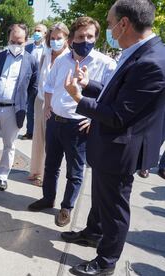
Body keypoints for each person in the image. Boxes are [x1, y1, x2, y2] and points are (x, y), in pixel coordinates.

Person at [62, 1, 165, 274]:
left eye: (109, 23)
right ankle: (92, 232)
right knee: (101, 198)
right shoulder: (138, 51)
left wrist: (78, 98)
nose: (108, 28)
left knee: (114, 208)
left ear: (124, 24)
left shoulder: (152, 61)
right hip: (109, 145)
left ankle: (106, 262)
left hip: (121, 149)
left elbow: (119, 115)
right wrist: (89, 85)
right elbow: (117, 92)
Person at [28, 17, 116, 229]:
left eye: (90, 36)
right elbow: (49, 86)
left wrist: (94, 120)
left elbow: (110, 98)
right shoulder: (61, 61)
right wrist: (48, 106)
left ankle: (66, 207)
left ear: (95, 38)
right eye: (80, 36)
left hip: (79, 127)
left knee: (75, 172)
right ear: (72, 39)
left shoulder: (105, 64)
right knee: (51, 166)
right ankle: (48, 198)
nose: (85, 40)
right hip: (55, 122)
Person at [0, 24, 38, 191]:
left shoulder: (31, 60)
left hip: (14, 111)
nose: (16, 44)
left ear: (26, 40)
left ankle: (2, 176)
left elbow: (34, 87)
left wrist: (23, 103)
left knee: (9, 145)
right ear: (8, 39)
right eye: (12, 41)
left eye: (19, 42)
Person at [27, 22, 70, 187]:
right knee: (38, 137)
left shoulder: (68, 57)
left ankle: (46, 176)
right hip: (40, 100)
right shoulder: (46, 54)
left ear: (66, 38)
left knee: (51, 142)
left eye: (59, 38)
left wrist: (52, 104)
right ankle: (35, 171)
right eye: (52, 38)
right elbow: (40, 78)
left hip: (55, 105)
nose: (55, 41)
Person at [21, 24, 48, 140]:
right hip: (30, 84)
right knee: (30, 110)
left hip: (44, 84)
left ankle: (43, 134)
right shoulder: (27, 48)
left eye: (39, 31)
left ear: (45, 34)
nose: (36, 32)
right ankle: (30, 132)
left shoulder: (48, 49)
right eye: (35, 30)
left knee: (43, 110)